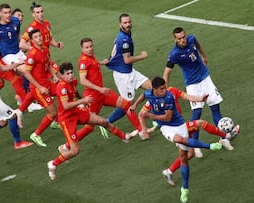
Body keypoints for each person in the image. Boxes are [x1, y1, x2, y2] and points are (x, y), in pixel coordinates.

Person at [130, 77, 222, 203]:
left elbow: (168, 117)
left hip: (179, 125)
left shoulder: (168, 97)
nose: (165, 90)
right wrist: (135, 105)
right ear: (154, 89)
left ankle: (184, 188)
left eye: (165, 87)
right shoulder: (149, 94)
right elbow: (143, 95)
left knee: (186, 157)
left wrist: (150, 116)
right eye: (162, 89)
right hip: (167, 128)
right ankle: (210, 146)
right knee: (181, 139)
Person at [47, 62, 133, 180]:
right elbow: (66, 106)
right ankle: (53, 164)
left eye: (71, 72)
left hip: (76, 112)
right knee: (75, 150)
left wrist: (81, 98)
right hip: (67, 119)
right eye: (67, 74)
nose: (71, 75)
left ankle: (125, 137)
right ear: (62, 75)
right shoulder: (61, 87)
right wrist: (83, 101)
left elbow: (75, 92)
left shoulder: (73, 81)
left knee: (103, 122)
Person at [163, 27, 240, 155]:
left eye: (183, 37)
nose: (182, 40)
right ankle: (195, 144)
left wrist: (203, 55)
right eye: (179, 38)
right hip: (192, 85)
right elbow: (167, 72)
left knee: (215, 108)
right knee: (196, 115)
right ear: (175, 39)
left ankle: (224, 138)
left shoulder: (191, 39)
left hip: (205, 78)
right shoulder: (174, 54)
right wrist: (164, 92)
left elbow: (197, 45)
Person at [100, 13, 152, 135]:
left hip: (129, 71)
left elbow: (116, 53)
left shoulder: (123, 35)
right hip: (123, 75)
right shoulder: (124, 39)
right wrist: (142, 56)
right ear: (120, 24)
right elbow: (127, 60)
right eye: (125, 23)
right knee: (127, 105)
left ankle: (154, 117)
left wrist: (109, 60)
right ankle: (106, 123)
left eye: (129, 22)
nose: (128, 24)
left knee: (152, 88)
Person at [0, 3, 42, 113]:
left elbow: (17, 34)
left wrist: (22, 44)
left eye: (9, 12)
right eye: (5, 13)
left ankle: (27, 97)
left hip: (18, 52)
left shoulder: (16, 21)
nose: (8, 15)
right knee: (25, 71)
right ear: (0, 14)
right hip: (8, 56)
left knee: (34, 69)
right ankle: (30, 101)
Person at [17, 29, 59, 147]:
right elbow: (27, 73)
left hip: (47, 83)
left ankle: (58, 121)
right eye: (36, 37)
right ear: (32, 40)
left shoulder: (45, 50)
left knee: (62, 91)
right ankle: (36, 134)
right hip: (38, 88)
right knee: (53, 112)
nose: (39, 38)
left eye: (40, 36)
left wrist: (54, 75)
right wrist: (40, 87)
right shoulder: (32, 55)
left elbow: (48, 64)